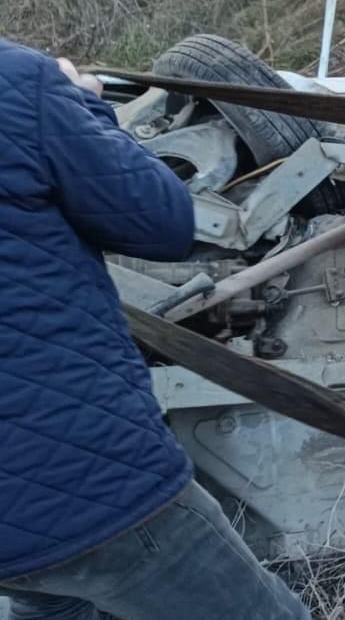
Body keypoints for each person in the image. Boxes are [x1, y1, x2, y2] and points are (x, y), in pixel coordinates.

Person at [0, 40, 309, 620]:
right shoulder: (16, 80)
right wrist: (79, 105)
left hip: (21, 521)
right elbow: (162, 224)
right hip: (83, 487)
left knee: (49, 592)